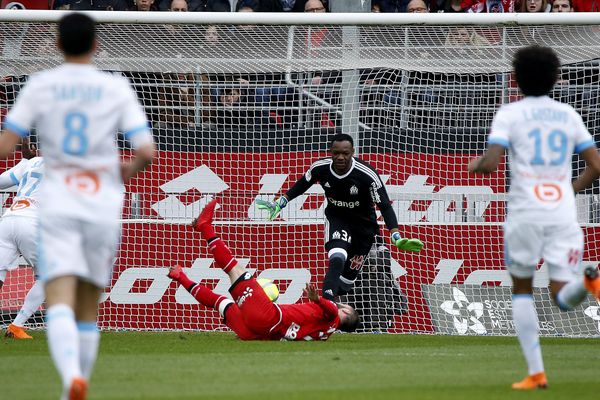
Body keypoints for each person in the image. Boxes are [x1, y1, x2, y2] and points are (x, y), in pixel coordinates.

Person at [0, 13, 155, 400]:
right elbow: (146, 153)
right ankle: (79, 379)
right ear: (96, 45)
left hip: (58, 206)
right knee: (86, 302)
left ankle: (71, 377)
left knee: (59, 292)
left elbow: (6, 144)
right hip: (100, 203)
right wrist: (123, 171)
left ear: (56, 45)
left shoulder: (40, 84)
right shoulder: (116, 87)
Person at [468, 45, 600, 390]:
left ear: (515, 79)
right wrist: (568, 191)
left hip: (525, 210)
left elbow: (492, 162)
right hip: (560, 211)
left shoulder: (509, 114)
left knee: (523, 290)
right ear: (557, 78)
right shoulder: (569, 114)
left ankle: (536, 372)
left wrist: (476, 164)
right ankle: (586, 282)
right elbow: (596, 165)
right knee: (561, 294)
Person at [257, 133, 423, 301]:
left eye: (345, 153)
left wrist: (396, 235)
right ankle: (325, 305)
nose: (340, 157)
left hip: (363, 227)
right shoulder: (320, 168)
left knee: (345, 283)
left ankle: (345, 307)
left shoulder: (366, 175)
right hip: (337, 219)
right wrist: (281, 202)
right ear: (331, 152)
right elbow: (302, 184)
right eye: (336, 153)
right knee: (337, 257)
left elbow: (385, 206)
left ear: (352, 152)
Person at [168, 198, 359, 340]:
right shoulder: (325, 335)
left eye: (348, 307)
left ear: (347, 313)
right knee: (220, 303)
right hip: (258, 332)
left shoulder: (333, 314)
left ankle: (205, 227)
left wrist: (318, 299)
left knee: (235, 269)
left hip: (268, 316)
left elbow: (331, 308)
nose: (344, 305)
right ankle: (180, 276)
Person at [0, 139, 44, 340]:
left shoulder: (31, 162)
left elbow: (1, 182)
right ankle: (16, 326)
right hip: (33, 222)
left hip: (8, 218)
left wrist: (23, 161)